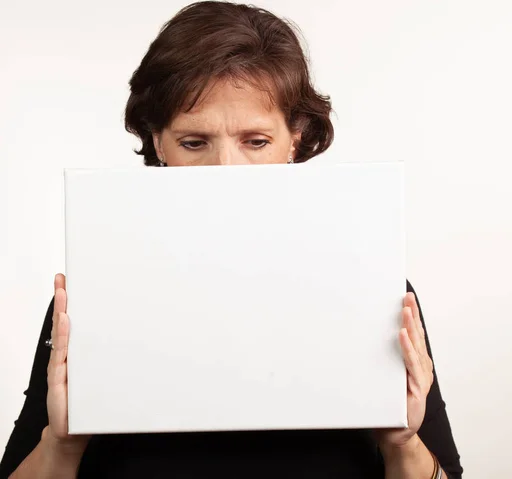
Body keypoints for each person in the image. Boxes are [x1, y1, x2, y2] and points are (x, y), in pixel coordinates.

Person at [0, 2, 463, 478]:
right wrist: (61, 444)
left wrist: (401, 443)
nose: (225, 171)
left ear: (296, 140)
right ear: (158, 143)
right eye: (194, 143)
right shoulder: (95, 294)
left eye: (256, 142)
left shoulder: (373, 289)